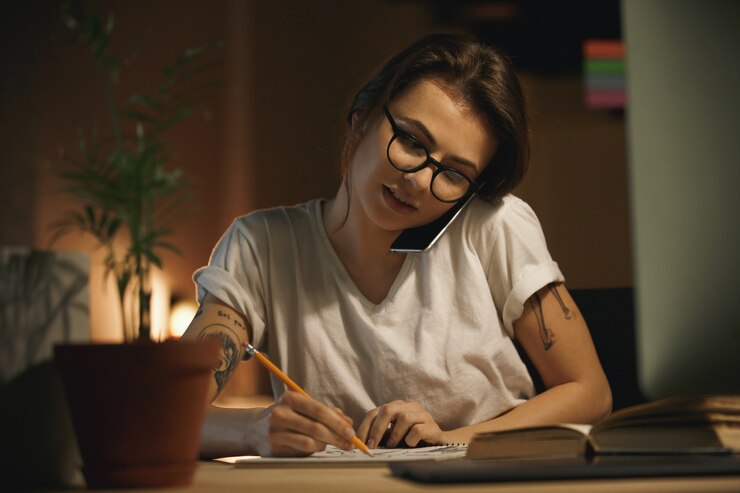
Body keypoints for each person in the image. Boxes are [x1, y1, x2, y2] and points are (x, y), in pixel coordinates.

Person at [182, 32, 612, 458]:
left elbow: (589, 392)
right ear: (363, 116)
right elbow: (166, 414)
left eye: (455, 174)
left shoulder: (494, 226)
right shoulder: (261, 247)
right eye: (411, 141)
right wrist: (253, 430)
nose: (420, 180)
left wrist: (452, 437)